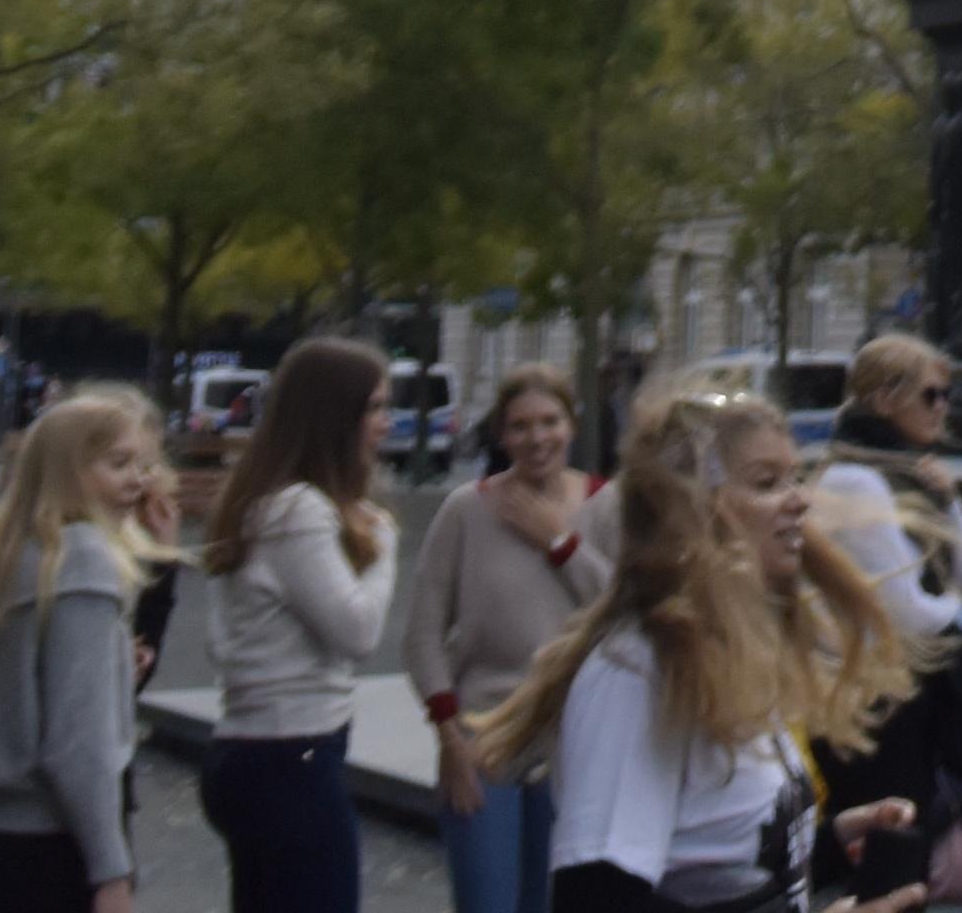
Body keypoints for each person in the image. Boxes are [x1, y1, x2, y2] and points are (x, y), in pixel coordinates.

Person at [469, 390, 918, 913]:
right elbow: (596, 899)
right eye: (767, 483)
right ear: (692, 512)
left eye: (795, 478)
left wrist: (825, 848)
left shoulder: (726, 649)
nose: (799, 500)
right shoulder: (636, 672)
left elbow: (712, 864)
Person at [0, 383, 175, 913]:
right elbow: (80, 747)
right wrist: (112, 870)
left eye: (143, 464)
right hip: (42, 854)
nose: (138, 480)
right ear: (67, 471)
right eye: (118, 463)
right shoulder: (82, 563)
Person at [196, 334, 397, 913]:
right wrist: (381, 542)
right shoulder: (298, 510)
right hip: (293, 756)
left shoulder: (259, 500)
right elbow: (357, 631)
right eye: (375, 408)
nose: (386, 422)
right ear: (337, 417)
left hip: (253, 750)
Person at [398, 363, 608, 913]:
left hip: (575, 740)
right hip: (484, 737)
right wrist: (449, 738)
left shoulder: (607, 505)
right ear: (501, 434)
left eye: (549, 422)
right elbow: (422, 633)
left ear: (572, 424)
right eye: (520, 426)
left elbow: (625, 611)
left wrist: (559, 542)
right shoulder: (466, 510)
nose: (537, 439)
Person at [810, 338, 962, 903]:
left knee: (901, 853)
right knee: (886, 861)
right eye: (930, 394)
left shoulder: (910, 475)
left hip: (906, 695)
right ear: (885, 398)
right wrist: (959, 612)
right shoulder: (855, 481)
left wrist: (950, 500)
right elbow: (907, 609)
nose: (943, 407)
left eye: (946, 395)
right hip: (874, 703)